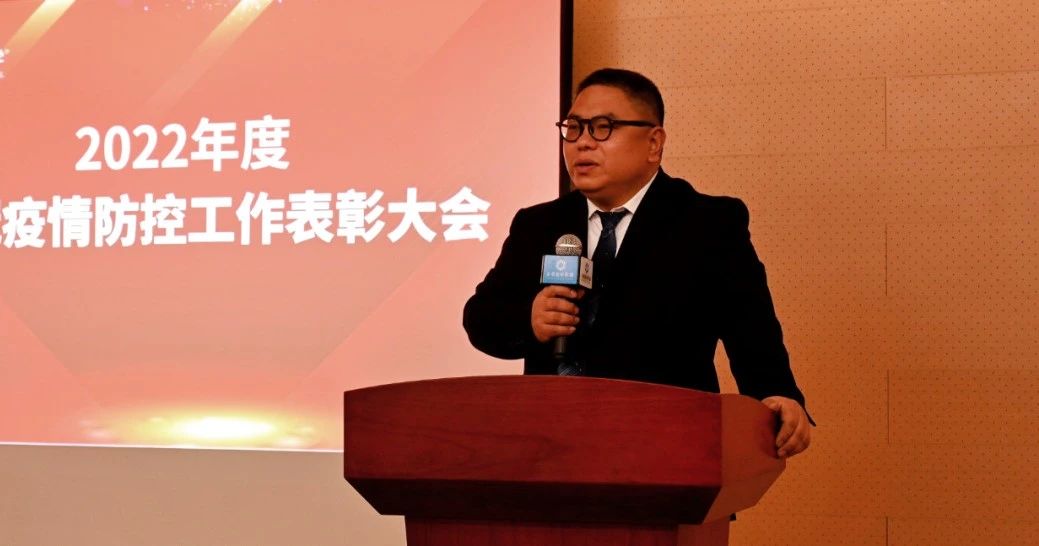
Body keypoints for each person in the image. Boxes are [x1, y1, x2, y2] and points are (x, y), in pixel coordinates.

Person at [463, 68, 812, 458]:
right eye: (573, 128)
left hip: (666, 449)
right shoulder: (538, 224)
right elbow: (481, 321)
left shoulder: (708, 224)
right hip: (550, 450)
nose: (582, 143)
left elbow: (752, 331)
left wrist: (778, 394)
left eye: (603, 128)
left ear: (653, 143)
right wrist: (529, 320)